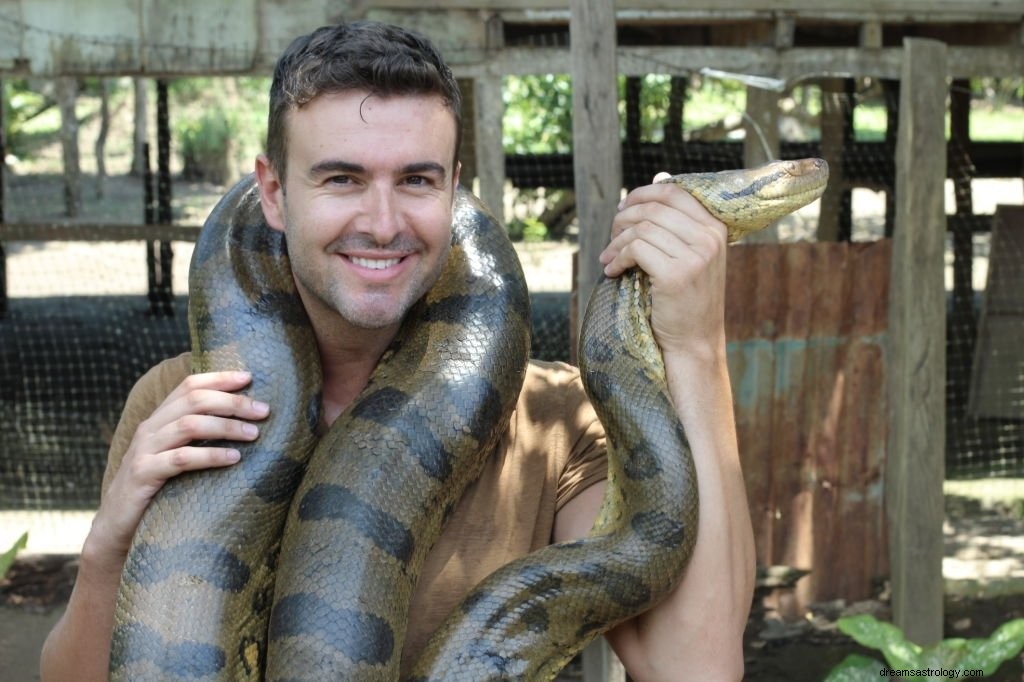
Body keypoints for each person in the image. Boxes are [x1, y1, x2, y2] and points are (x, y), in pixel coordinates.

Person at [40, 20, 755, 681]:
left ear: (453, 188)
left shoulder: (555, 419)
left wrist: (695, 348)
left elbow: (697, 668)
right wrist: (108, 551)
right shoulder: (183, 408)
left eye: (417, 180)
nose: (382, 224)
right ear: (274, 192)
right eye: (342, 178)